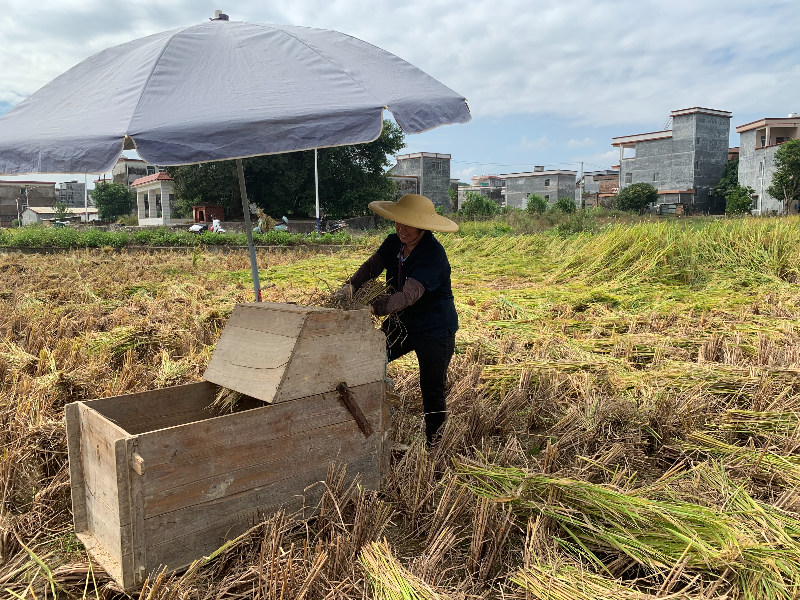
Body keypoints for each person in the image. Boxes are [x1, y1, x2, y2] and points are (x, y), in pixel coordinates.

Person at [338, 194, 459, 445]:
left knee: (432, 389)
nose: (401, 229)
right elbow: (373, 267)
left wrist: (372, 308)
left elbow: (407, 295)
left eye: (408, 224)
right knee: (369, 360)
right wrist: (351, 286)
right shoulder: (394, 243)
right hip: (401, 324)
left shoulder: (433, 254)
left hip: (434, 329)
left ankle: (435, 445)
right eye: (398, 222)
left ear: (422, 226)